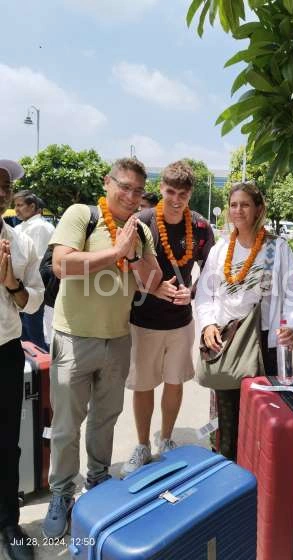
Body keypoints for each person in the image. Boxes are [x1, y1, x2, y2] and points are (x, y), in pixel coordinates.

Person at [42, 157, 162, 539]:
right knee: (65, 426)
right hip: (74, 338)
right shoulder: (82, 214)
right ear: (107, 183)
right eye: (123, 186)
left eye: (137, 191)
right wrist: (114, 253)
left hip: (117, 339)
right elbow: (62, 264)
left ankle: (97, 483)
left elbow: (152, 279)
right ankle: (61, 494)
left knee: (105, 419)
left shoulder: (140, 230)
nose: (130, 195)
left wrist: (132, 254)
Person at [195, 182, 293, 460]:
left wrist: (291, 325)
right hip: (227, 344)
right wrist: (208, 324)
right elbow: (205, 294)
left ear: (258, 209)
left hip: (264, 344)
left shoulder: (275, 248)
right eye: (233, 205)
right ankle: (228, 472)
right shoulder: (221, 249)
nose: (238, 210)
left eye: (245, 204)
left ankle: (260, 476)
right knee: (227, 421)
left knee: (263, 418)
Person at [121, 161, 214, 477]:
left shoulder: (200, 227)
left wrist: (194, 292)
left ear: (190, 194)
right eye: (171, 191)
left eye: (183, 194)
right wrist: (153, 287)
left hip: (181, 321)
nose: (176, 199)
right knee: (143, 384)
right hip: (143, 320)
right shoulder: (142, 222)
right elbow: (123, 268)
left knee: (175, 382)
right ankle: (143, 444)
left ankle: (167, 439)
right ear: (160, 189)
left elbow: (212, 271)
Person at [0, 159, 44, 560]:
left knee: (6, 442)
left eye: (3, 186)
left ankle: (8, 522)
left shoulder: (22, 244)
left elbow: (34, 301)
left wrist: (11, 284)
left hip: (5, 353)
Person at [14, 190, 55, 350]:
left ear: (32, 206)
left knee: (33, 331)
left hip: (32, 285)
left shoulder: (40, 227)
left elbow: (35, 260)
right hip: (18, 286)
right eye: (15, 205)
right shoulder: (20, 227)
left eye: (20, 205)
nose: (16, 209)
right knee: (23, 331)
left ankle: (43, 368)